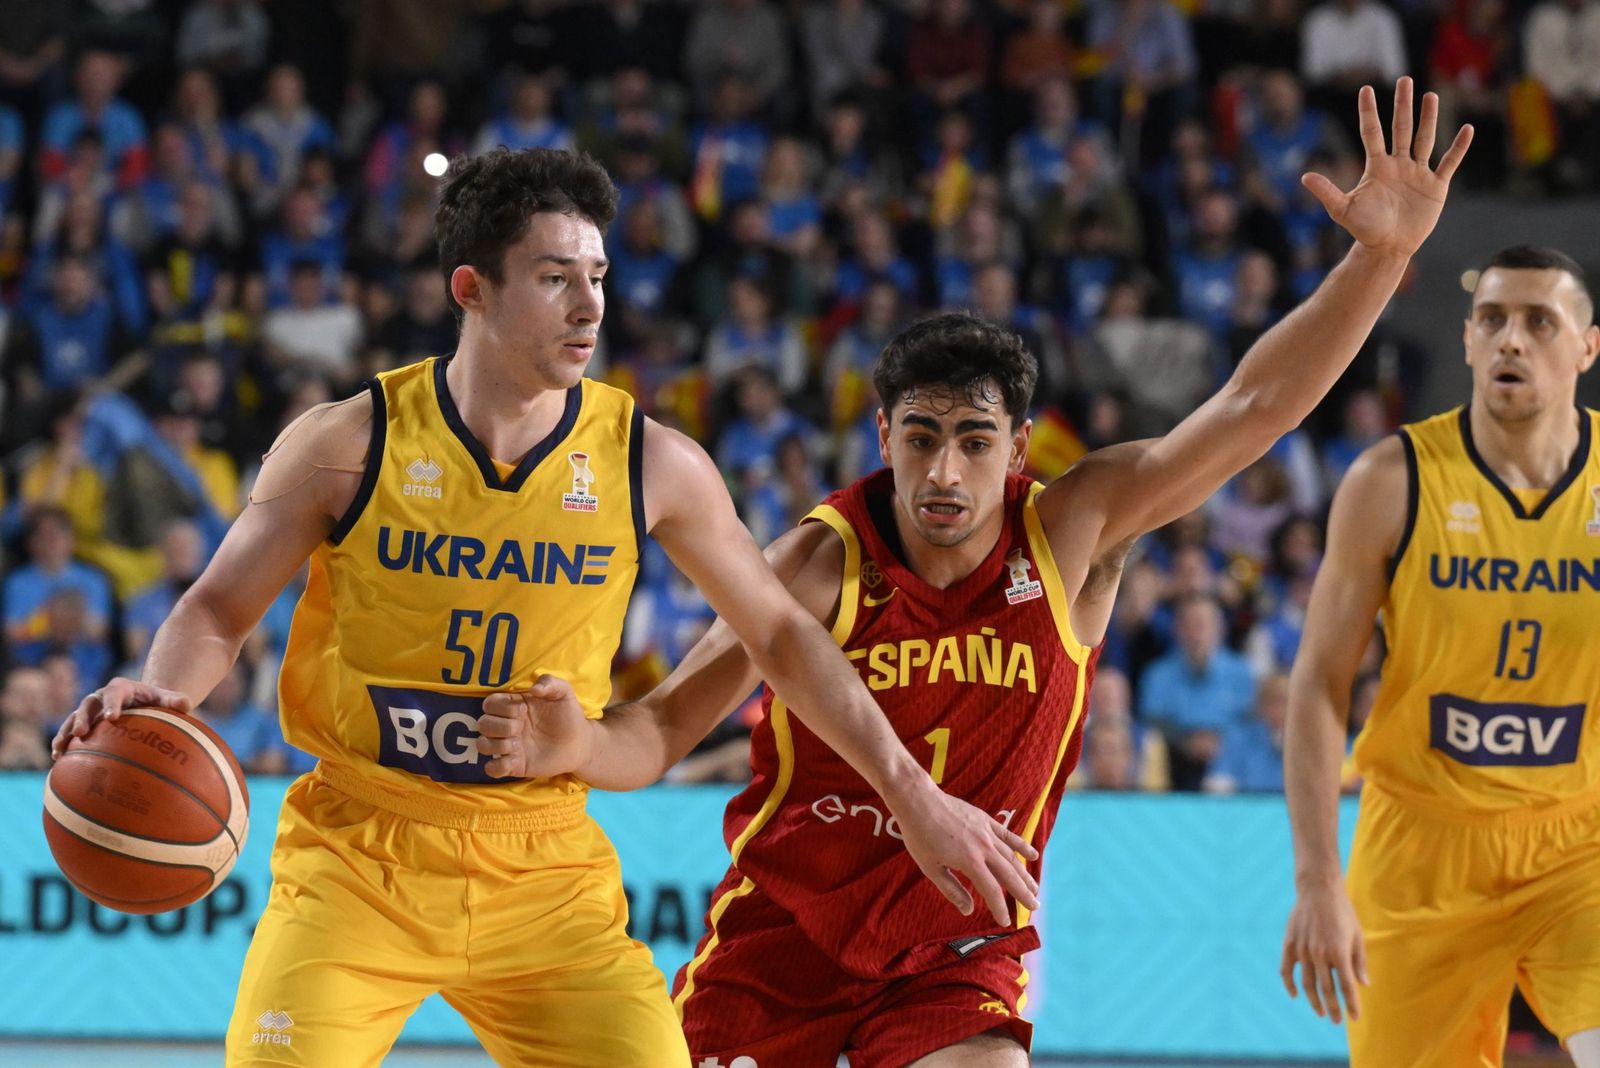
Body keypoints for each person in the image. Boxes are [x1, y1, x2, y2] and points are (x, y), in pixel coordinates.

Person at [488, 80, 1471, 1065]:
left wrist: (1378, 259)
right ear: (883, 434)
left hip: (956, 949)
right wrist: (580, 743)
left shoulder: (1072, 532)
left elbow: (1253, 405)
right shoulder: (818, 561)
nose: (942, 471)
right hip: (779, 942)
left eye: (971, 440)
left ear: (1018, 448)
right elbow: (660, 731)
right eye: (918, 438)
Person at [52, 147, 1036, 1067]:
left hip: (543, 868)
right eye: (555, 277)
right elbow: (218, 610)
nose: (589, 305)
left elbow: (780, 631)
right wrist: (162, 692)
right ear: (472, 290)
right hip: (360, 856)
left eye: (597, 276)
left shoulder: (651, 462)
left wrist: (915, 799)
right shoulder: (348, 442)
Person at [1281, 243, 1600, 1065]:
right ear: (1465, 340)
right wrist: (1317, 879)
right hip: (1419, 846)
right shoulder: (1390, 481)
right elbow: (1317, 684)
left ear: (1586, 347)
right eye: (1491, 320)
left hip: (1579, 841)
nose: (1511, 341)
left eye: (1539, 321)